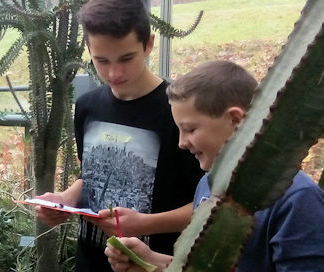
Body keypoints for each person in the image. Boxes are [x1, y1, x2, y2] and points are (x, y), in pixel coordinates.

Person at [105, 60, 324, 272]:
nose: (181, 143)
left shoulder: (298, 200)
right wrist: (150, 261)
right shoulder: (208, 185)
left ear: (235, 121)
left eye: (190, 129)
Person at [34, 0, 204, 271]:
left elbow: (208, 205)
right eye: (101, 61)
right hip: (89, 262)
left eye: (126, 58)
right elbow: (89, 175)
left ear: (148, 44)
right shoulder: (87, 106)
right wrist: (66, 199)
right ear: (89, 51)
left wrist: (145, 223)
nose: (114, 73)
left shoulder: (178, 111)